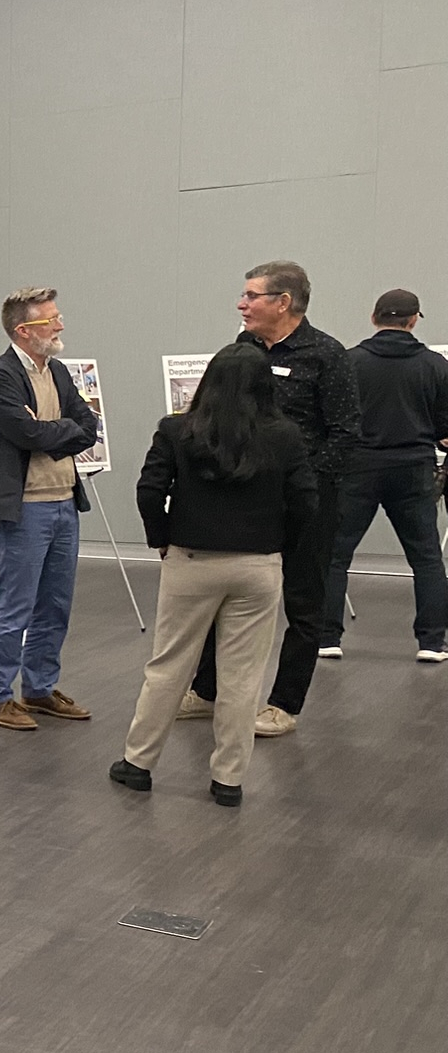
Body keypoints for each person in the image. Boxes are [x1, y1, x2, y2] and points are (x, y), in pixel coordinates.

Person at [111, 344, 317, 806]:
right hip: (258, 566)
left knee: (168, 666)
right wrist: (282, 544)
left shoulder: (176, 430)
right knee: (244, 677)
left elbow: (149, 491)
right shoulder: (285, 435)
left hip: (191, 561)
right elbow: (306, 500)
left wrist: (160, 536)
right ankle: (228, 780)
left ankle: (138, 763)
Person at [179, 261, 357, 736]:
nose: (242, 304)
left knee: (303, 601)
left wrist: (297, 481)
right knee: (226, 593)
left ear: (284, 302)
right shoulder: (243, 350)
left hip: (308, 502)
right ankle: (207, 690)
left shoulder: (327, 355)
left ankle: (284, 704)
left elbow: (345, 435)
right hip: (247, 504)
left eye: (251, 295)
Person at [0, 287, 99, 730]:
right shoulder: (0, 376)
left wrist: (55, 428)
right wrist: (57, 430)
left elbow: (89, 425)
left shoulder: (59, 372)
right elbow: (26, 434)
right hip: (24, 510)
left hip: (65, 503)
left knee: (55, 606)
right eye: (52, 320)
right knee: (16, 608)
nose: (61, 325)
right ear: (24, 331)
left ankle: (39, 689)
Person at [317, 288, 448, 664]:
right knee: (425, 559)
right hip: (414, 467)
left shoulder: (348, 361)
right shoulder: (436, 366)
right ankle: (431, 642)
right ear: (413, 320)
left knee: (335, 554)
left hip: (357, 467)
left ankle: (327, 637)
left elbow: (332, 417)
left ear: (374, 319)